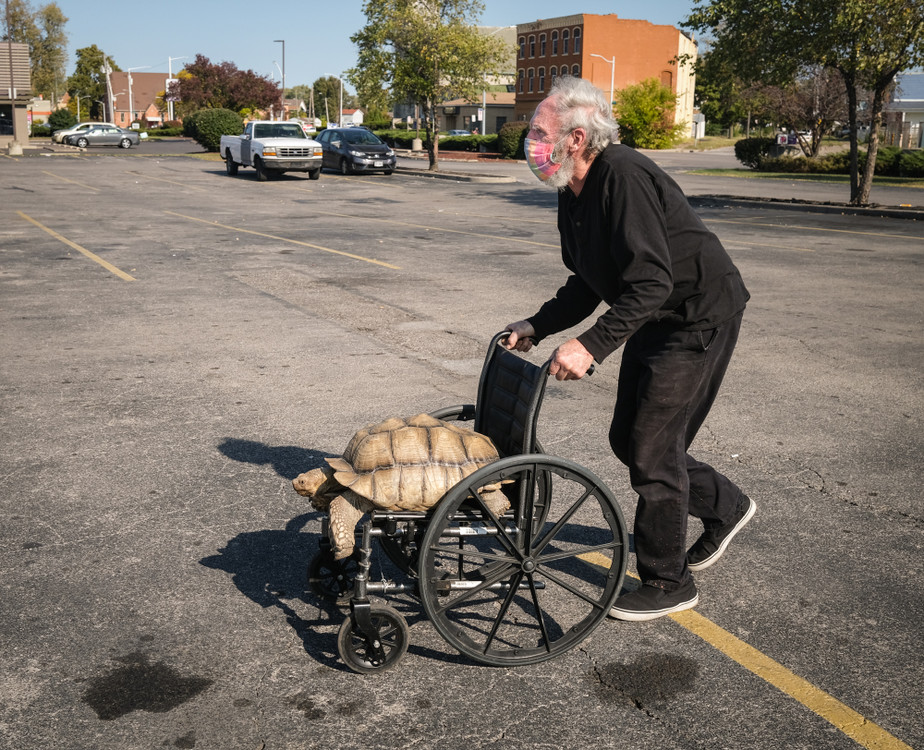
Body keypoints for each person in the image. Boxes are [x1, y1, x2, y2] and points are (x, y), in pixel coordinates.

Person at [505, 76, 755, 622]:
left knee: (651, 449)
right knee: (630, 439)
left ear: (575, 137)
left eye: (539, 130)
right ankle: (727, 505)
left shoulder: (622, 174)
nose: (530, 140)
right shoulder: (571, 191)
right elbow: (588, 280)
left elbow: (651, 281)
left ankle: (669, 582)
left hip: (695, 317)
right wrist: (538, 325)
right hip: (653, 317)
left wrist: (590, 346)